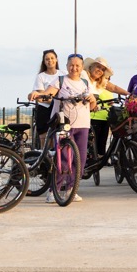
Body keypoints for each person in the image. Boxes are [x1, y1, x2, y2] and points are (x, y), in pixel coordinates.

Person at [41, 54, 92, 203]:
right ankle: (54, 190)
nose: (74, 68)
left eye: (77, 65)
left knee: (80, 159)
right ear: (67, 65)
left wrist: (92, 99)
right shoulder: (60, 80)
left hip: (83, 124)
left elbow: (92, 103)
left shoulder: (84, 82)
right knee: (63, 159)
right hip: (64, 124)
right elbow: (48, 92)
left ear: (82, 67)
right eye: (71, 65)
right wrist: (38, 94)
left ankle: (72, 189)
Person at [86, 57, 129, 166]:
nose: (99, 70)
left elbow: (113, 87)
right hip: (87, 115)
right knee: (90, 143)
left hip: (101, 116)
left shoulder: (100, 82)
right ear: (91, 66)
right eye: (98, 67)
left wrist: (128, 94)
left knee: (102, 142)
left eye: (102, 69)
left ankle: (98, 161)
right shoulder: (84, 77)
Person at [29, 50, 60, 148]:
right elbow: (41, 96)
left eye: (52, 58)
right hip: (45, 109)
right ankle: (44, 160)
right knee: (44, 138)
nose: (50, 61)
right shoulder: (41, 76)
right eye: (47, 59)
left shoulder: (63, 74)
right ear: (44, 61)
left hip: (59, 109)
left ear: (56, 59)